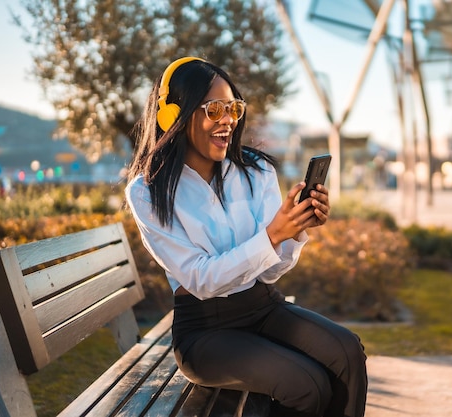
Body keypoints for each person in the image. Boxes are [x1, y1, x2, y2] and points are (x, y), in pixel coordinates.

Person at [125, 57, 367, 417]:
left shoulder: (256, 170)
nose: (228, 120)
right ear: (174, 115)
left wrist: (294, 229)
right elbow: (200, 280)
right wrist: (271, 236)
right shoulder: (148, 191)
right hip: (205, 331)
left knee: (348, 352)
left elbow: (269, 273)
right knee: (307, 386)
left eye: (234, 108)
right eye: (215, 109)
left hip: (264, 306)